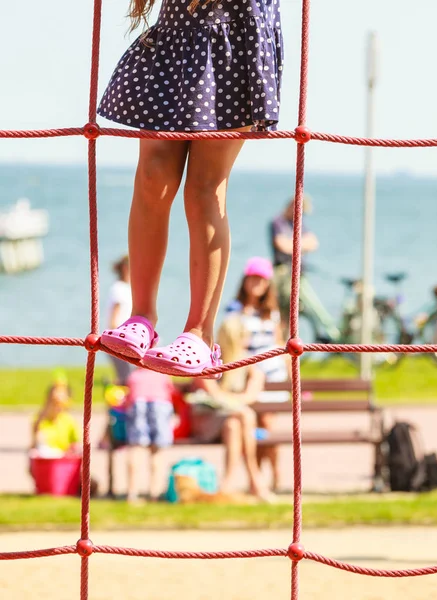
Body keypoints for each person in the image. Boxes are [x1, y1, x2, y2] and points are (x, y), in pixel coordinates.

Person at [98, 0, 284, 377]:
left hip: (234, 34)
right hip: (176, 33)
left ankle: (200, 333)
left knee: (204, 188)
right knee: (152, 176)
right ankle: (141, 315)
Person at [188, 314, 272, 501]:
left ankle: (228, 483)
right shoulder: (209, 361)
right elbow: (214, 396)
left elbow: (251, 394)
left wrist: (233, 402)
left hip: (230, 423)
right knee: (244, 414)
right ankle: (255, 477)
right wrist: (238, 403)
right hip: (206, 423)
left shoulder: (249, 364)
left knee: (234, 424)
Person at [224, 256, 289, 492]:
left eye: (261, 281)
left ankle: (273, 473)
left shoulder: (271, 312)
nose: (256, 285)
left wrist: (291, 379)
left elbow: (279, 343)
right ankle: (259, 476)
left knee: (268, 426)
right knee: (255, 427)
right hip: (250, 374)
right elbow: (234, 345)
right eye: (252, 280)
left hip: (273, 374)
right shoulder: (236, 311)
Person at [124, 367, 175, 502]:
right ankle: (155, 493)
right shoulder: (162, 372)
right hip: (160, 404)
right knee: (157, 450)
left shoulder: (134, 375)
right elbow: (171, 390)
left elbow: (128, 396)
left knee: (136, 447)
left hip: (137, 403)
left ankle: (132, 492)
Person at [270, 196, 319, 335]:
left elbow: (314, 243)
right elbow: (282, 245)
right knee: (285, 307)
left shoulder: (298, 224)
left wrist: (294, 244)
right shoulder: (278, 222)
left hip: (299, 273)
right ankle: (281, 340)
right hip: (284, 272)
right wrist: (302, 244)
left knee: (299, 307)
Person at [31, 372, 80, 456]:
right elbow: (35, 440)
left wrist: (72, 449)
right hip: (45, 458)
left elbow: (76, 443)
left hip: (63, 459)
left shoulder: (68, 420)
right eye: (53, 403)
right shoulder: (41, 419)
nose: (56, 408)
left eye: (59, 405)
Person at [106, 255, 134, 385]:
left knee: (129, 377)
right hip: (121, 340)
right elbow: (114, 317)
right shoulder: (119, 288)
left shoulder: (128, 288)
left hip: (127, 339)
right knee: (127, 378)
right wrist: (117, 340)